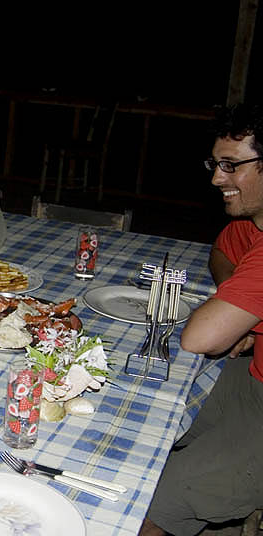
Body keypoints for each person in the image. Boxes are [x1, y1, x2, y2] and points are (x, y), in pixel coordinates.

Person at [140, 103, 263, 535]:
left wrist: (239, 311)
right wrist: (245, 305)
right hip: (250, 378)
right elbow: (222, 250)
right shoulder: (254, 222)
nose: (216, 178)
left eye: (231, 166)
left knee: (147, 502)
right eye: (216, 163)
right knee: (144, 420)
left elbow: (199, 337)